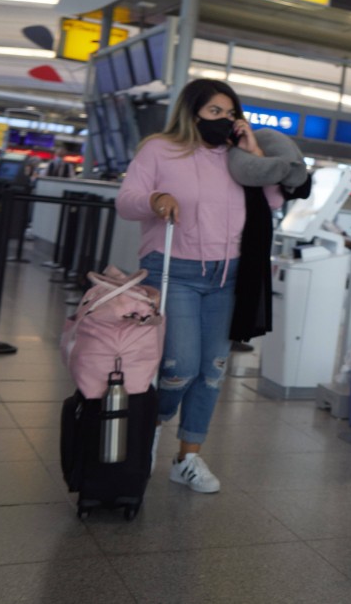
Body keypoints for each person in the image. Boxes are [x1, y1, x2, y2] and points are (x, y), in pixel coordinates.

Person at [115, 79, 282, 493]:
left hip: (227, 276)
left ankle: (187, 457)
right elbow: (126, 199)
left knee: (212, 372)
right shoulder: (159, 148)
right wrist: (155, 199)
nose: (224, 120)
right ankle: (150, 426)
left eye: (230, 113)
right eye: (214, 112)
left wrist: (254, 154)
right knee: (180, 368)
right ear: (192, 113)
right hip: (174, 270)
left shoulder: (236, 157)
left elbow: (273, 202)